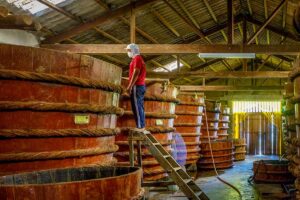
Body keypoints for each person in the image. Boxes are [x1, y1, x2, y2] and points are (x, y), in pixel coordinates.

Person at [125, 43, 146, 131]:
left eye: (129, 50)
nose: (128, 52)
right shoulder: (139, 59)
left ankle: (139, 126)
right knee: (140, 106)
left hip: (137, 85)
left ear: (134, 50)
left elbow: (136, 72)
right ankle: (142, 125)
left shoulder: (137, 58)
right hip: (140, 85)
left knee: (136, 106)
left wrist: (130, 86)